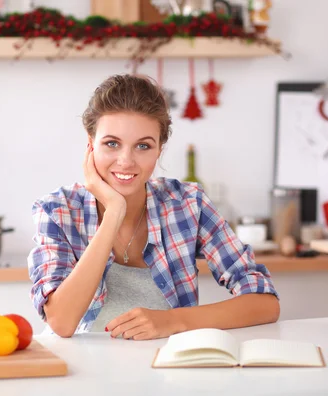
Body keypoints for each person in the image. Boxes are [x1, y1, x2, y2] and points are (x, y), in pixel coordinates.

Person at [28, 74, 280, 340]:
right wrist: (114, 212)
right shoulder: (57, 211)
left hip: (166, 369)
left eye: (143, 146)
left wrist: (173, 321)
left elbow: (265, 303)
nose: (126, 161)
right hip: (80, 369)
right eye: (111, 143)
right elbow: (62, 323)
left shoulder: (187, 204)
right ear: (90, 145)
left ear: (159, 150)